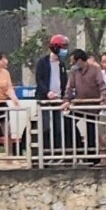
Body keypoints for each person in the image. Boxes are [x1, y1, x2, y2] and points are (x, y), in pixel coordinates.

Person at [33, 34, 71, 163]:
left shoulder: (61, 64)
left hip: (58, 101)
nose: (64, 51)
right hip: (45, 100)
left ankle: (58, 154)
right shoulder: (42, 62)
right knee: (45, 127)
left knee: (58, 128)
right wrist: (47, 92)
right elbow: (39, 80)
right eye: (62, 47)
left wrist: (65, 96)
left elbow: (64, 81)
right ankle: (44, 154)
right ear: (55, 48)